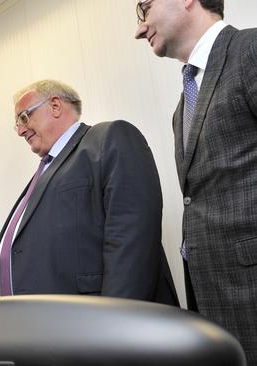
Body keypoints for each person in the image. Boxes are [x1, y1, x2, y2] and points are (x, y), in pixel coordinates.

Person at [134, 0, 257, 361]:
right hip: (215, 298)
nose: (139, 28)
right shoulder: (181, 108)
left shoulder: (250, 51)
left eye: (144, 8)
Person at [0, 80, 178, 306]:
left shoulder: (108, 138)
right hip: (50, 326)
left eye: (24, 117)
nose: (20, 130)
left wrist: (115, 322)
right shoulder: (46, 170)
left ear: (55, 106)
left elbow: (131, 243)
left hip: (100, 325)